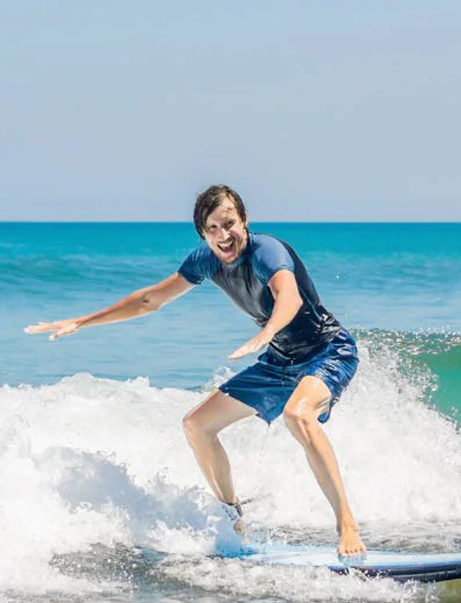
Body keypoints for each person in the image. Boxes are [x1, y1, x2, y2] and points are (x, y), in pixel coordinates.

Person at [25, 185, 366, 557]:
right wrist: (83, 320)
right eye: (213, 229)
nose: (224, 236)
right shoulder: (206, 260)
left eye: (229, 224)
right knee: (197, 425)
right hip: (280, 362)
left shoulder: (266, 250)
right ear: (203, 234)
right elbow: (148, 300)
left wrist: (267, 332)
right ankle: (233, 517)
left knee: (298, 416)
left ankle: (346, 523)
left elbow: (290, 296)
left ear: (244, 221)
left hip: (327, 350)